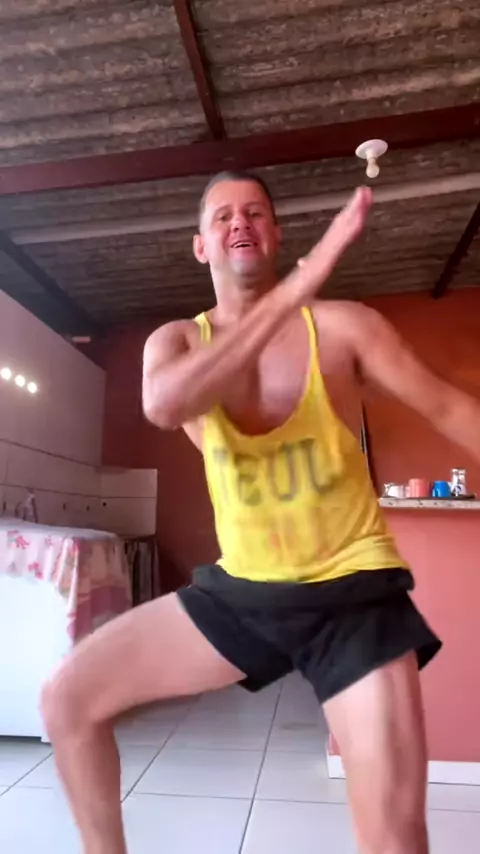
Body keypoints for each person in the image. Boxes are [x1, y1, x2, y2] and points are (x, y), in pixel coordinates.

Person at [41, 171, 480, 854]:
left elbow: (446, 405)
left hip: (353, 593)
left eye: (254, 212)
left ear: (275, 234)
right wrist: (292, 293)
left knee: (396, 838)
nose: (239, 223)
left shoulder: (344, 328)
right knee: (67, 700)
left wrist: (298, 299)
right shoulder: (175, 343)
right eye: (222, 216)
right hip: (244, 591)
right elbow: (165, 405)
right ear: (200, 246)